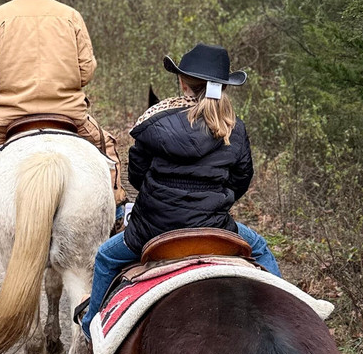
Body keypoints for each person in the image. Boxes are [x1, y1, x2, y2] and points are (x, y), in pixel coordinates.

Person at [80, 43, 280, 339]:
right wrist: (210, 203)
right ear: (224, 87)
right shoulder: (234, 129)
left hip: (152, 231)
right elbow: (240, 181)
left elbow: (136, 177)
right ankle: (279, 318)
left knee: (107, 257)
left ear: (183, 82)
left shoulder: (154, 123)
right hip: (214, 228)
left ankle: (90, 329)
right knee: (260, 248)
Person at [0, 0, 127, 248]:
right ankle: (116, 213)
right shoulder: (71, 16)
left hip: (10, 117)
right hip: (69, 115)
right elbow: (86, 70)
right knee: (108, 148)